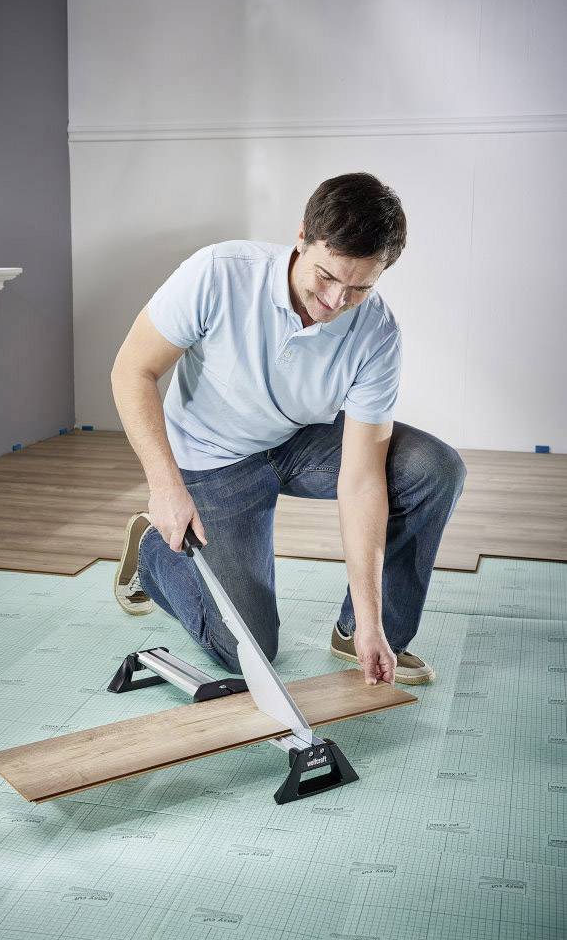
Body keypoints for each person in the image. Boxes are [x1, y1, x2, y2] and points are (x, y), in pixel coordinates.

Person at [110, 173, 466, 688]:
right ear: (302, 236)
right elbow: (131, 371)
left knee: (432, 470)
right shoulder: (218, 273)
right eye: (326, 277)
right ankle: (153, 553)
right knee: (247, 651)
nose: (336, 301)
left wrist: (371, 620)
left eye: (360, 287)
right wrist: (166, 488)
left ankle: (365, 636)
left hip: (297, 438)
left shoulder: (377, 333)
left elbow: (363, 479)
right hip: (212, 456)